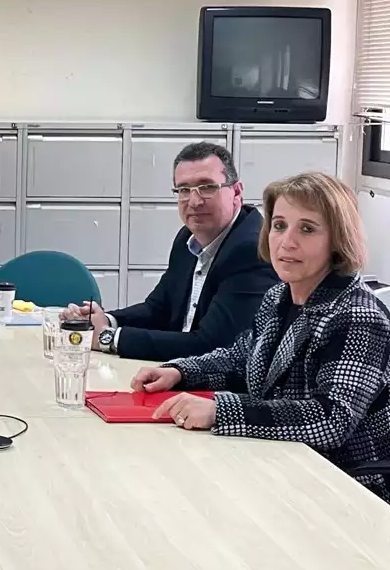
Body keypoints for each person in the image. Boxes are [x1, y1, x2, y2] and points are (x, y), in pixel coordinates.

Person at [132, 172, 390, 503]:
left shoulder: (358, 317)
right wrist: (179, 371)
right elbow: (242, 359)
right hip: (278, 464)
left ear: (338, 240)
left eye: (307, 229)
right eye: (279, 225)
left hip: (345, 488)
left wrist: (220, 411)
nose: (287, 242)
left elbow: (330, 418)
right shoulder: (279, 297)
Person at [61, 142, 278, 361]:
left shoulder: (252, 249)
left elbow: (212, 346)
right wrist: (105, 321)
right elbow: (158, 309)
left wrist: (109, 338)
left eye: (207, 187)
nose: (194, 201)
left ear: (237, 192)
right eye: (184, 190)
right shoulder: (187, 239)